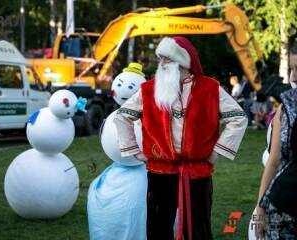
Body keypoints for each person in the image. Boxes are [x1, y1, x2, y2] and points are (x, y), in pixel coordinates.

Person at [114, 36, 248, 240]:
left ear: (183, 62)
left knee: (198, 228)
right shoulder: (149, 90)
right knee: (158, 228)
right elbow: (122, 116)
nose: (161, 65)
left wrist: (216, 152)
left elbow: (238, 118)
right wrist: (134, 150)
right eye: (160, 59)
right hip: (160, 170)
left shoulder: (210, 89)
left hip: (197, 172)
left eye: (167, 59)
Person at [255, 69, 297, 239]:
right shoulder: (288, 105)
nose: (293, 74)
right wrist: (260, 209)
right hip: (283, 206)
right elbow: (273, 161)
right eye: (293, 67)